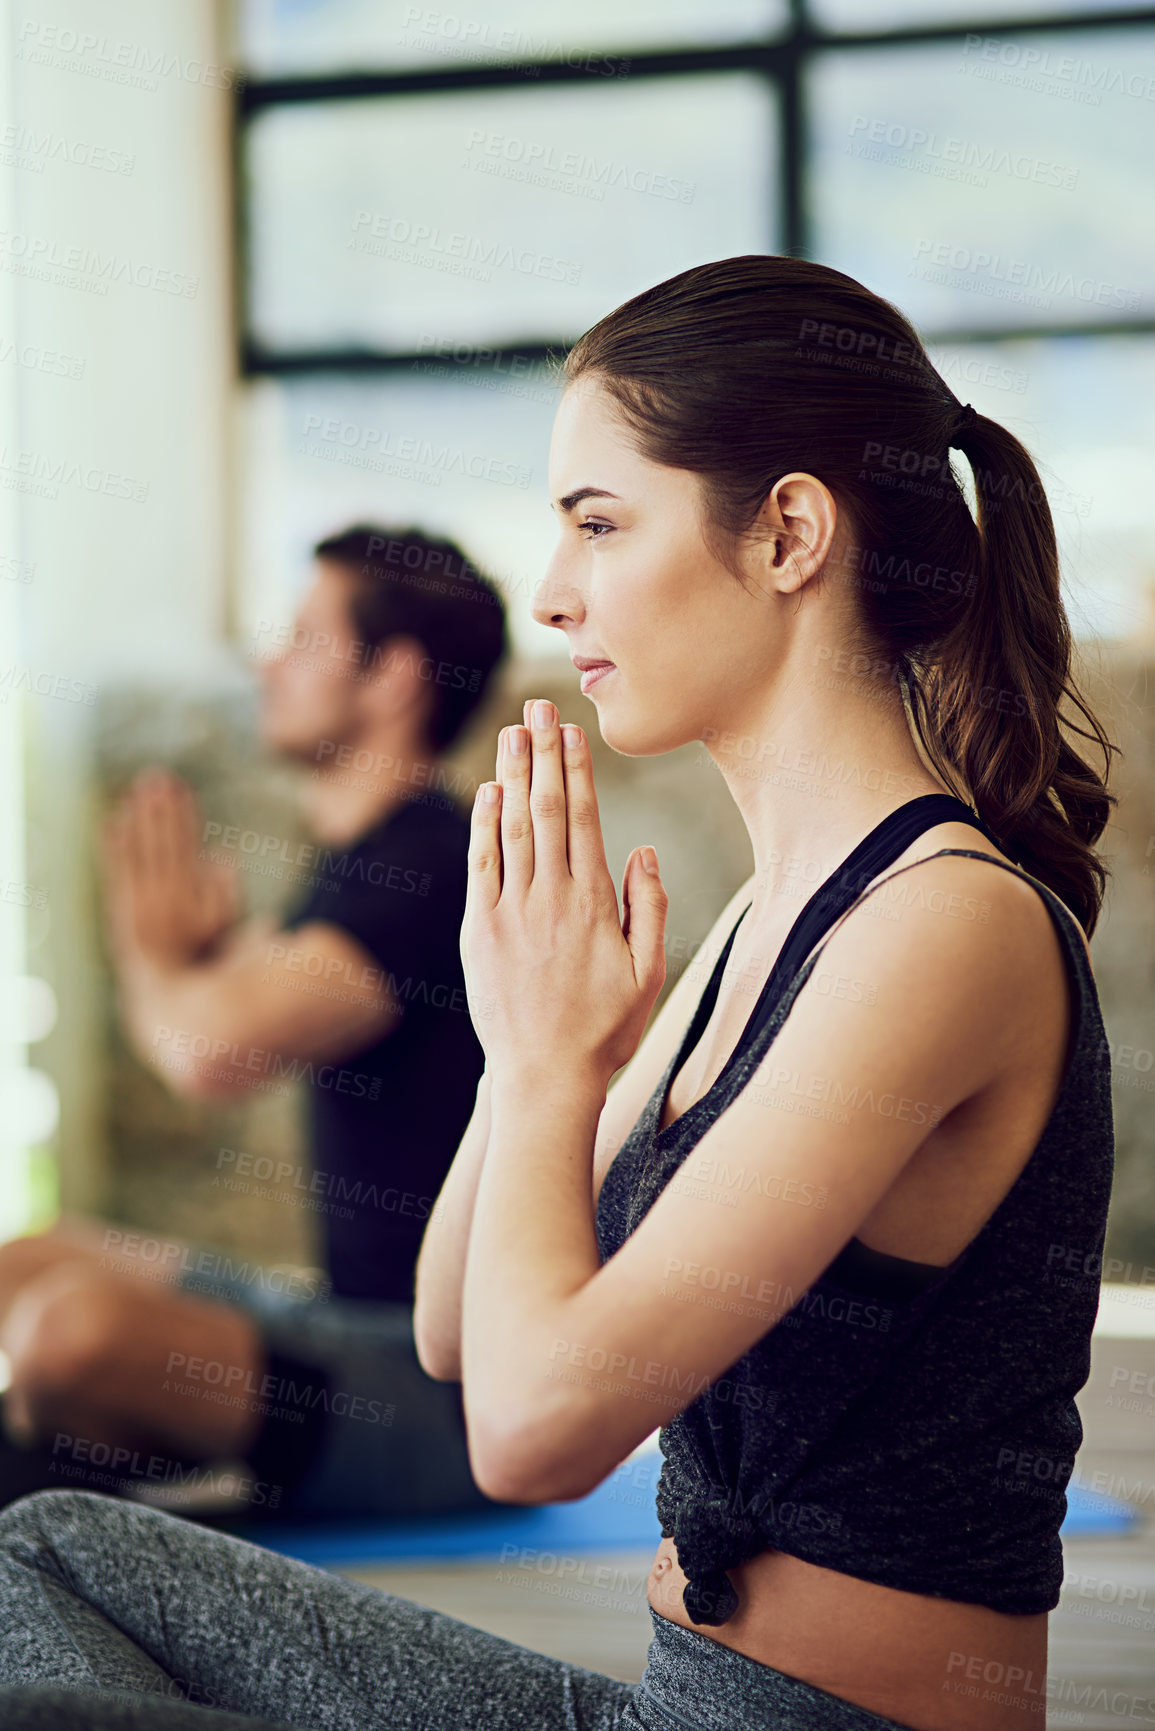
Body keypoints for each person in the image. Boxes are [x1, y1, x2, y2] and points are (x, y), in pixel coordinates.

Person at [0, 255, 1118, 1731]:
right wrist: (535, 1037)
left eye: (597, 521)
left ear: (785, 532)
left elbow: (529, 1436)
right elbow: (459, 1335)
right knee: (43, 1555)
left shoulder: (945, 928)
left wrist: (535, 1067)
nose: (553, 588)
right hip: (668, 1697)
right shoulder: (757, 923)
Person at [0, 524, 508, 1523]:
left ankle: (79, 1530)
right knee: (29, 1260)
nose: (267, 661)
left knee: (72, 1332)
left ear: (394, 675)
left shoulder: (430, 865)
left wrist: (149, 953)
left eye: (306, 636)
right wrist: (189, 963)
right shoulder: (362, 861)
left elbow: (210, 1049)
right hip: (336, 1319)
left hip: (439, 1392)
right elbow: (231, 1002)